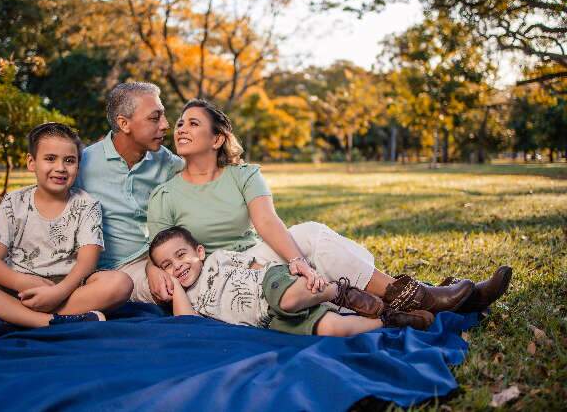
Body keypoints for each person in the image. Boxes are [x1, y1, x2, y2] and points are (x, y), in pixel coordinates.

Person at [145, 99, 513, 316]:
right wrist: (156, 276)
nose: (179, 128)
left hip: (257, 259)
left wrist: (297, 260)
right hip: (214, 279)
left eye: (193, 123)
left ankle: (419, 297)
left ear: (218, 137)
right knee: (316, 249)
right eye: (178, 123)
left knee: (316, 242)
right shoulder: (165, 194)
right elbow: (156, 254)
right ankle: (421, 298)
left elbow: (268, 222)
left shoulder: (243, 175)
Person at [0, 122, 133, 339]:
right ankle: (47, 322)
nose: (60, 167)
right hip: (14, 287)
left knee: (120, 284)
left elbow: (87, 262)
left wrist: (57, 292)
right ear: (32, 162)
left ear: (78, 166)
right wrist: (22, 282)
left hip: (67, 290)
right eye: (50, 158)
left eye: (69, 161)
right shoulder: (14, 202)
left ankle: (11, 320)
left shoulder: (87, 205)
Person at [149, 226, 435, 336]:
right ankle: (393, 320)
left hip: (268, 285)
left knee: (288, 297)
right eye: (168, 265)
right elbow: (185, 322)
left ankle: (338, 291)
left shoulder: (217, 258)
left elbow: (256, 264)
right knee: (331, 329)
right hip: (266, 320)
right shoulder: (190, 299)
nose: (178, 266)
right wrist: (174, 288)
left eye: (181, 255)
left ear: (199, 252)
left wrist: (287, 271)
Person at [75, 82, 185, 302]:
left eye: (163, 116)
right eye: (154, 118)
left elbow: (203, 173)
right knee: (175, 290)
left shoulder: (166, 161)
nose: (165, 125)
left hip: (158, 257)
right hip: (112, 270)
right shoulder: (82, 164)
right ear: (124, 123)